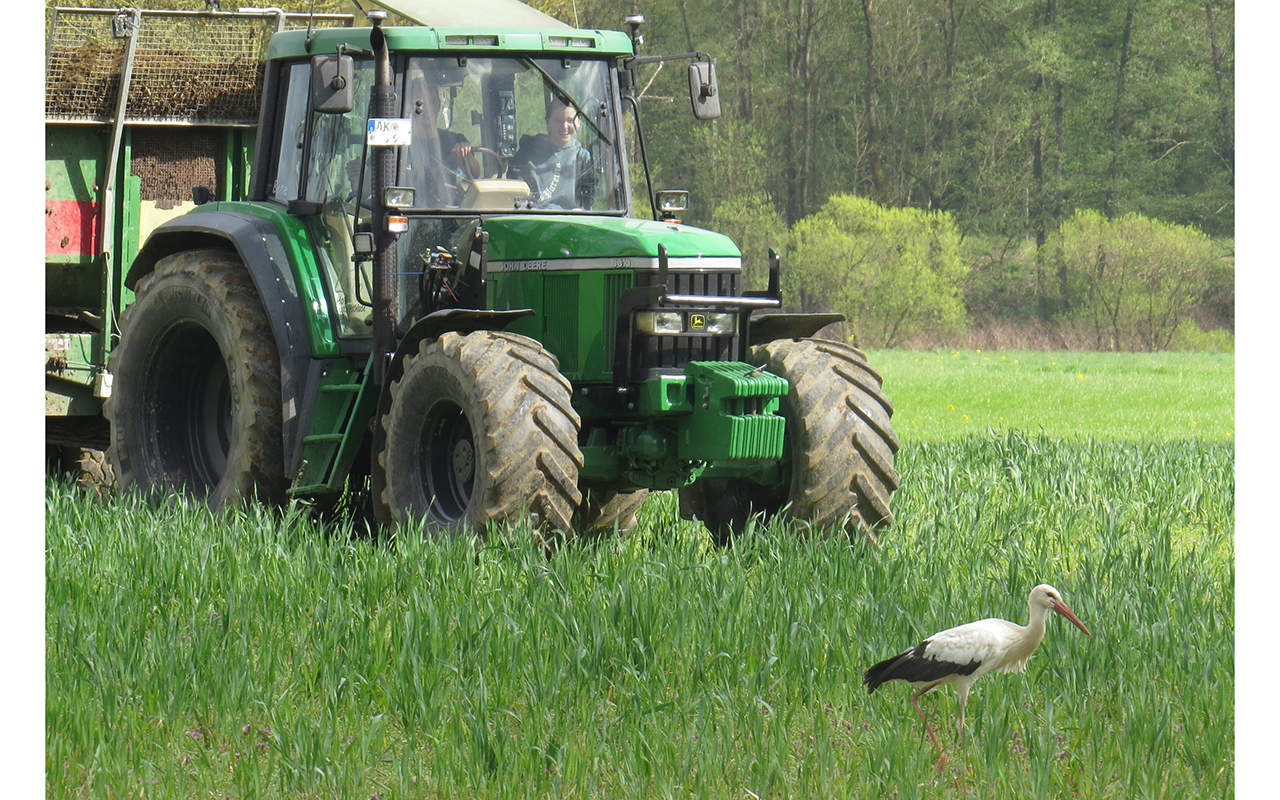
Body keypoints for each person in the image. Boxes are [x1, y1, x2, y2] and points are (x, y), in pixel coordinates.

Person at [403, 73, 480, 206]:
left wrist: (466, 157)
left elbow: (475, 173)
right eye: (421, 102)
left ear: (439, 104)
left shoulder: (456, 140)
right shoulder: (400, 143)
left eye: (432, 101)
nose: (428, 107)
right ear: (410, 105)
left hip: (449, 213)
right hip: (409, 213)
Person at [508, 100, 598, 210]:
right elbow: (516, 196)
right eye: (558, 121)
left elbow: (586, 202)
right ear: (548, 123)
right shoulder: (527, 154)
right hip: (534, 219)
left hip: (571, 221)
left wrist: (578, 212)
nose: (564, 126)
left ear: (579, 122)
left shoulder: (582, 158)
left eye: (570, 120)